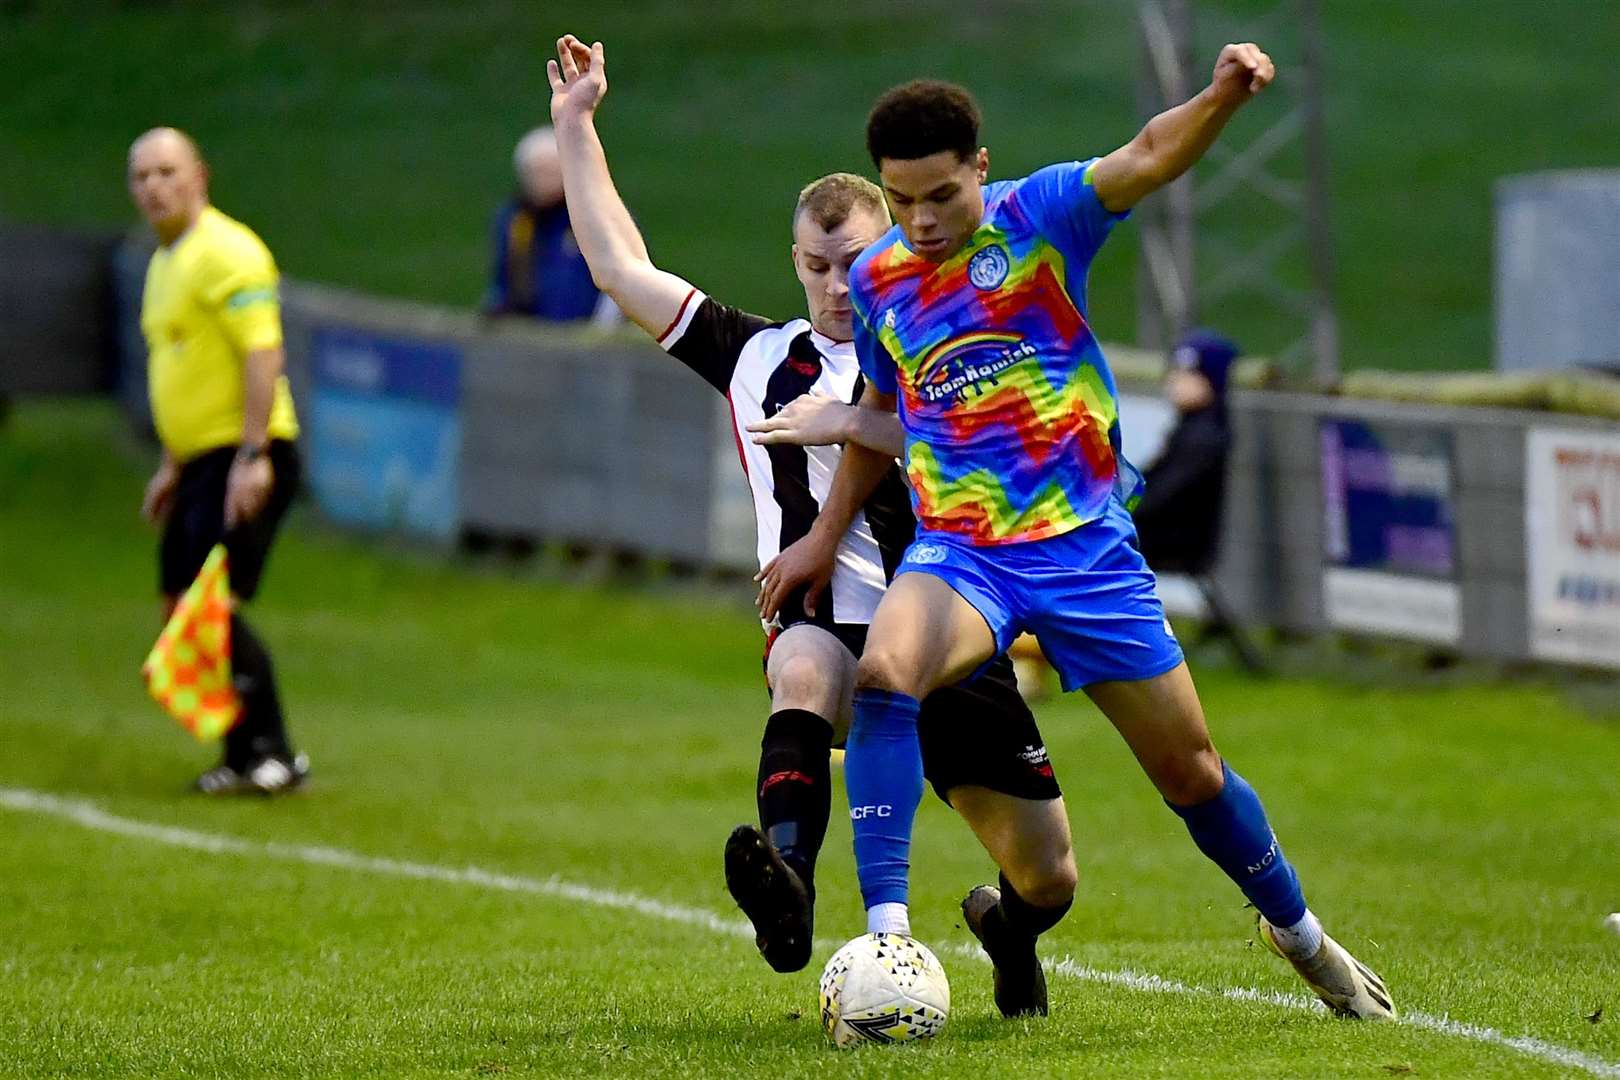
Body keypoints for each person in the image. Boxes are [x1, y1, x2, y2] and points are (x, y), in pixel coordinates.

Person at [761, 49, 1395, 1020]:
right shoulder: (885, 281)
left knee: (1191, 774)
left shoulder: (1041, 217)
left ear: (980, 165)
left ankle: (1298, 935)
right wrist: (824, 530)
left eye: (940, 195)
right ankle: (887, 937)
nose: (923, 222)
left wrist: (1224, 96)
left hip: (1086, 553)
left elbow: (1147, 152)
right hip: (963, 554)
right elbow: (887, 422)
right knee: (888, 672)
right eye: (903, 200)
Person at [547, 36, 1075, 1013]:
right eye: (818, 266)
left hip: (950, 631)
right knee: (804, 669)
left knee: (1051, 878)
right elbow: (620, 266)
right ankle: (787, 886)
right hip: (824, 623)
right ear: (795, 263)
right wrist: (576, 122)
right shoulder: (754, 357)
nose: (839, 286)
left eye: (855, 263)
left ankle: (1009, 929)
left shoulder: (943, 349)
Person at [128, 127, 308, 795]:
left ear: (200, 175)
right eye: (142, 176)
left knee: (209, 604)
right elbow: (184, 366)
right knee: (183, 603)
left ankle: (272, 754)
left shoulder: (227, 252)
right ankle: (241, 752)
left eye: (167, 171)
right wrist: (173, 465)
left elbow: (262, 354)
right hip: (203, 460)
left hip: (247, 453)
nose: (154, 186)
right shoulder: (165, 262)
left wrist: (253, 454)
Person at [484, 125, 620, 325]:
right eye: (534, 171)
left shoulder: (595, 218)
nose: (542, 180)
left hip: (587, 333)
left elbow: (618, 277)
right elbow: (504, 280)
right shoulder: (516, 222)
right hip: (532, 334)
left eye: (550, 171)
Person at [1133, 330, 1238, 574]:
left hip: (1172, 546)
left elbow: (1160, 496)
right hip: (1159, 540)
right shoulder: (1189, 430)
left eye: (1189, 375)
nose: (1175, 381)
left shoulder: (1204, 438)